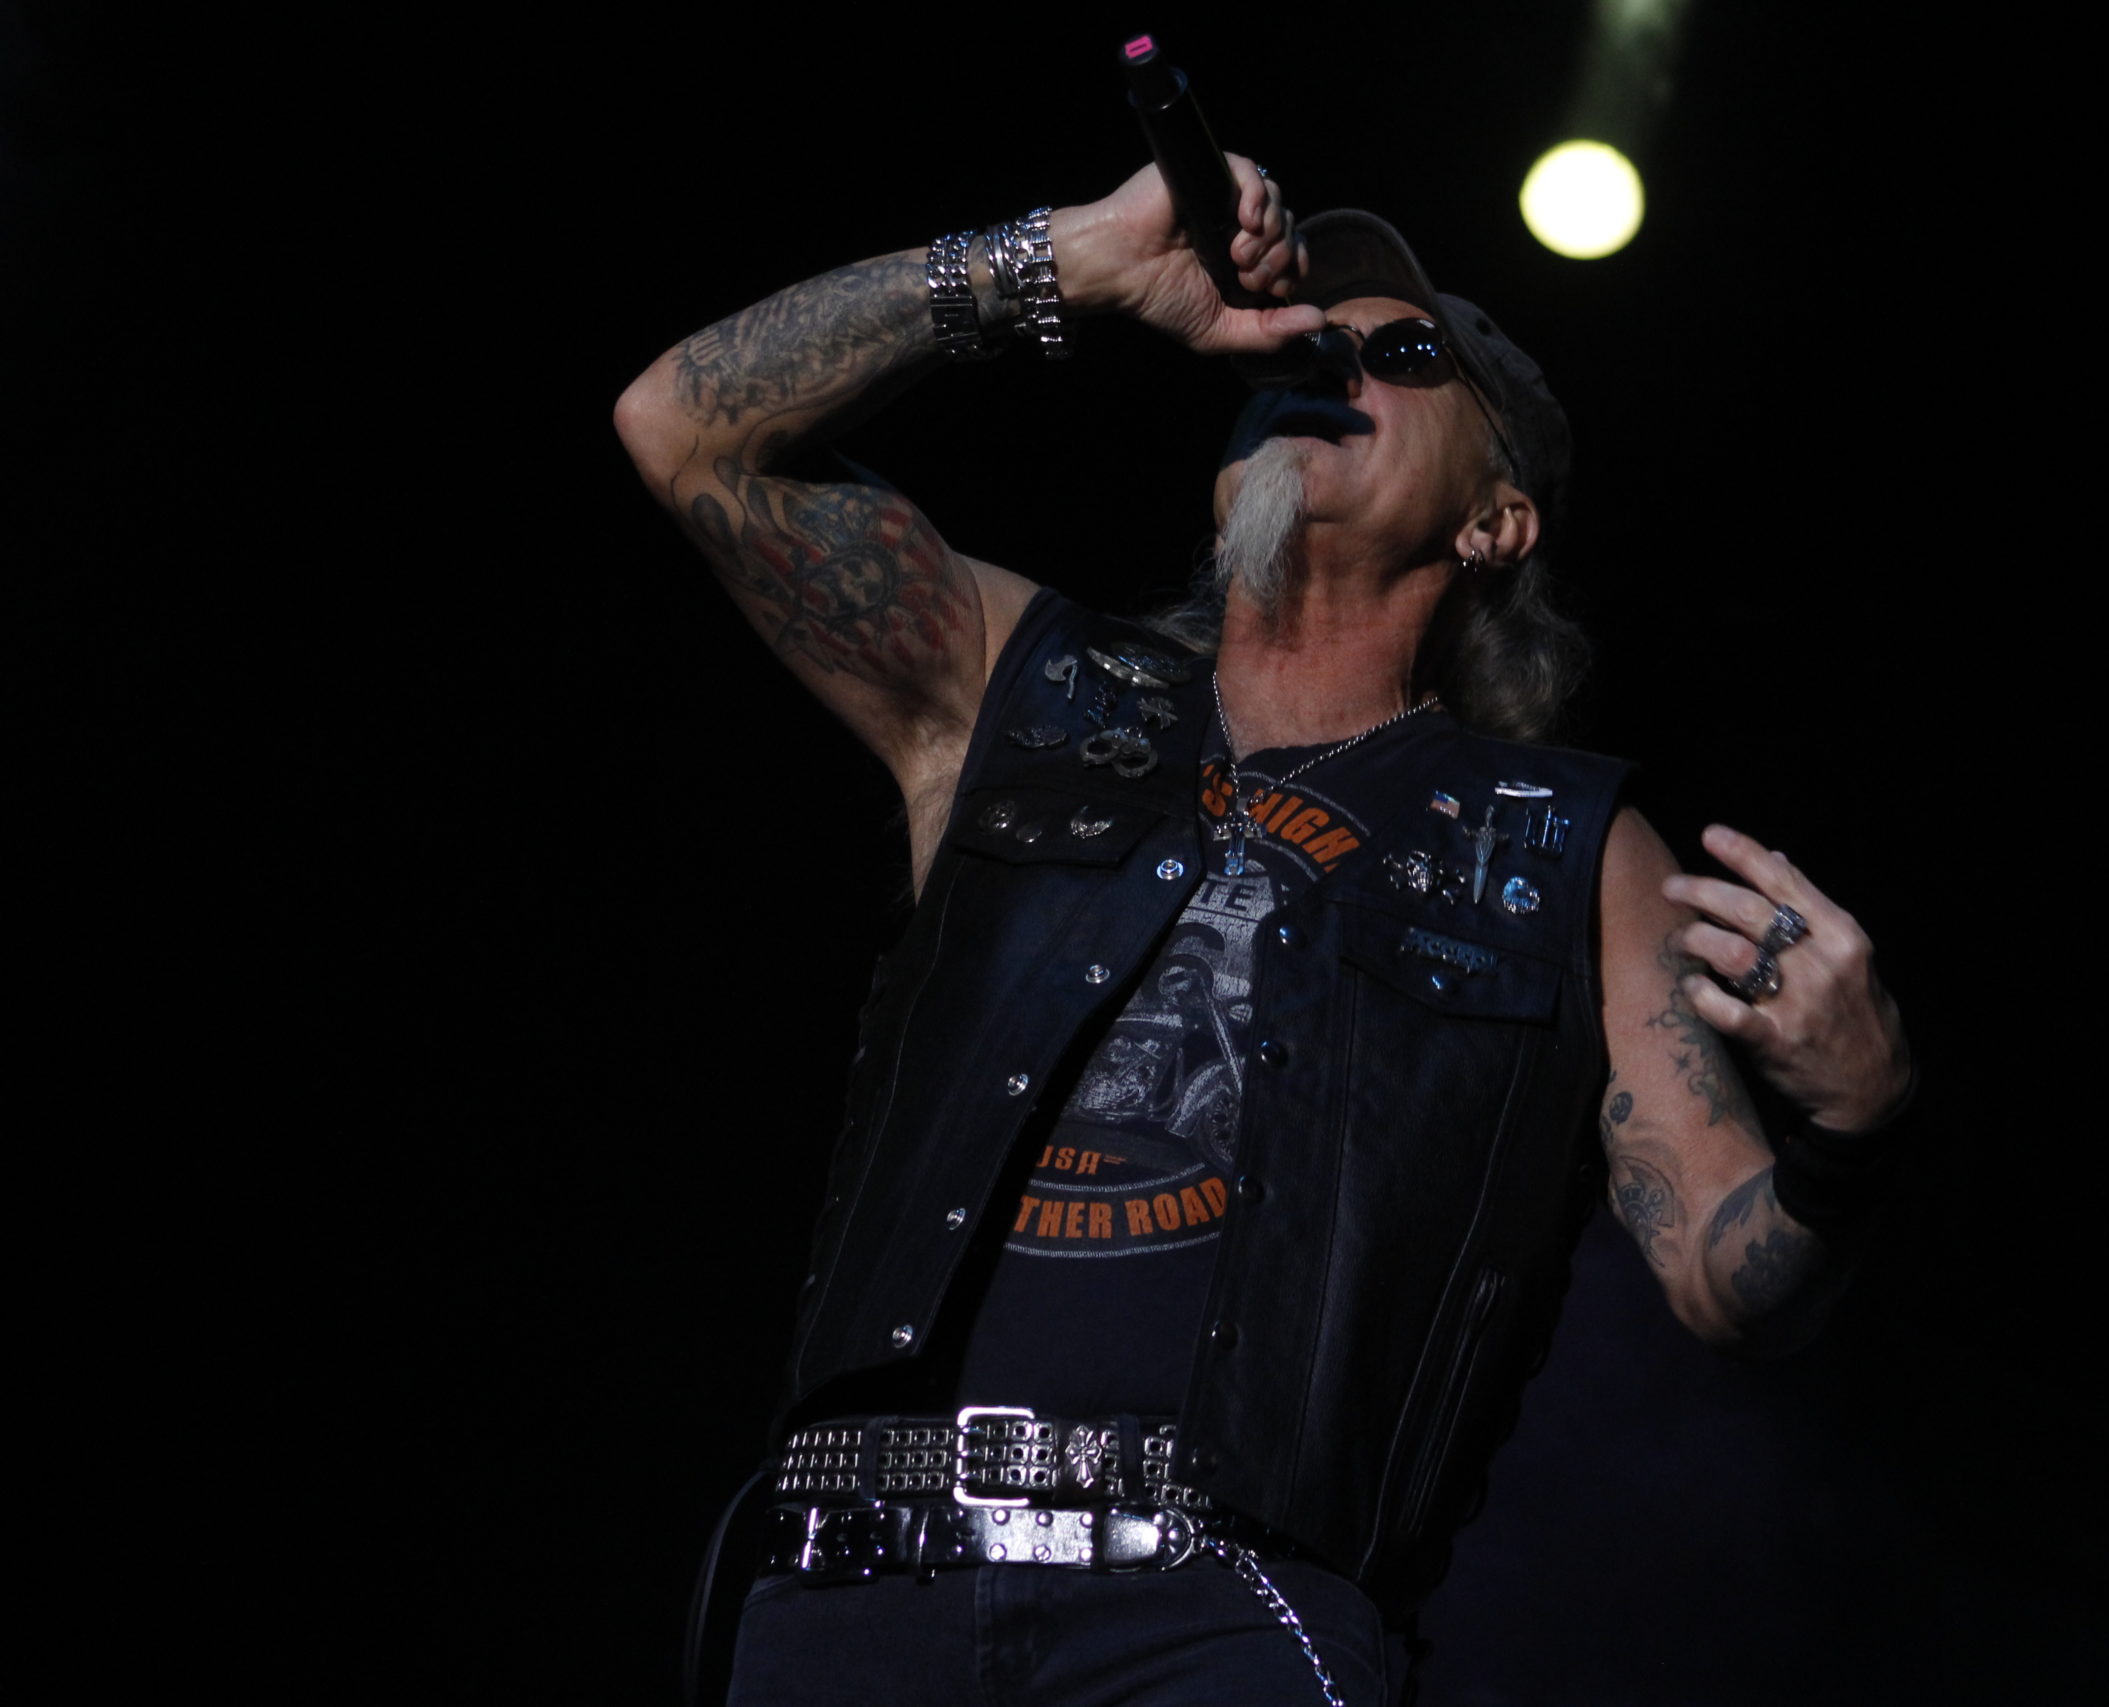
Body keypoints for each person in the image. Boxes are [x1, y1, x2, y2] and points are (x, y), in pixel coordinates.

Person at [615, 154, 1911, 1707]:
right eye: (1304, 338)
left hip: (1219, 1622)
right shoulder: (1021, 696)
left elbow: (1722, 1268)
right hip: (852, 1595)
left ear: (1498, 521)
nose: (1328, 357)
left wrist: (1853, 1129)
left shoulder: (1566, 852)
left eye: (1399, 351)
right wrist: (1070, 258)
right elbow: (683, 424)